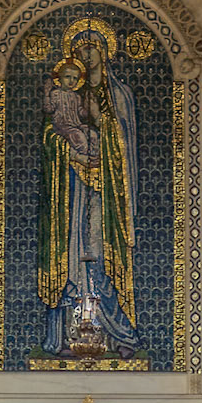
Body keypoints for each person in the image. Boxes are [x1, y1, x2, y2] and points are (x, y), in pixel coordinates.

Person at [38, 26, 140, 357]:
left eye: (92, 48)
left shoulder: (118, 95)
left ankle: (118, 335)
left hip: (107, 194)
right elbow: (51, 137)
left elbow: (124, 144)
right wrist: (73, 153)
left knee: (100, 253)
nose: (86, 55)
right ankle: (67, 339)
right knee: (71, 256)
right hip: (68, 189)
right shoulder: (61, 98)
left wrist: (103, 127)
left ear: (104, 54)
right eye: (80, 49)